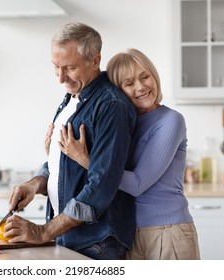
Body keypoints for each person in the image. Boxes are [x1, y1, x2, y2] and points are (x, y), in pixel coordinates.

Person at [3, 22, 137, 260]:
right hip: (68, 237)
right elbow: (62, 166)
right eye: (56, 67)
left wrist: (43, 231)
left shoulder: (110, 106)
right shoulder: (72, 99)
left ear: (95, 61)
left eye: (70, 68)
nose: (61, 78)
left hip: (96, 242)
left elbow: (102, 186)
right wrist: (34, 185)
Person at [56, 48, 200, 260]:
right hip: (131, 234)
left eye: (145, 77)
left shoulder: (170, 120)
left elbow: (137, 183)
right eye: (129, 83)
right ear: (119, 90)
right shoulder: (127, 121)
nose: (141, 87)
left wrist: (84, 159)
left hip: (168, 232)